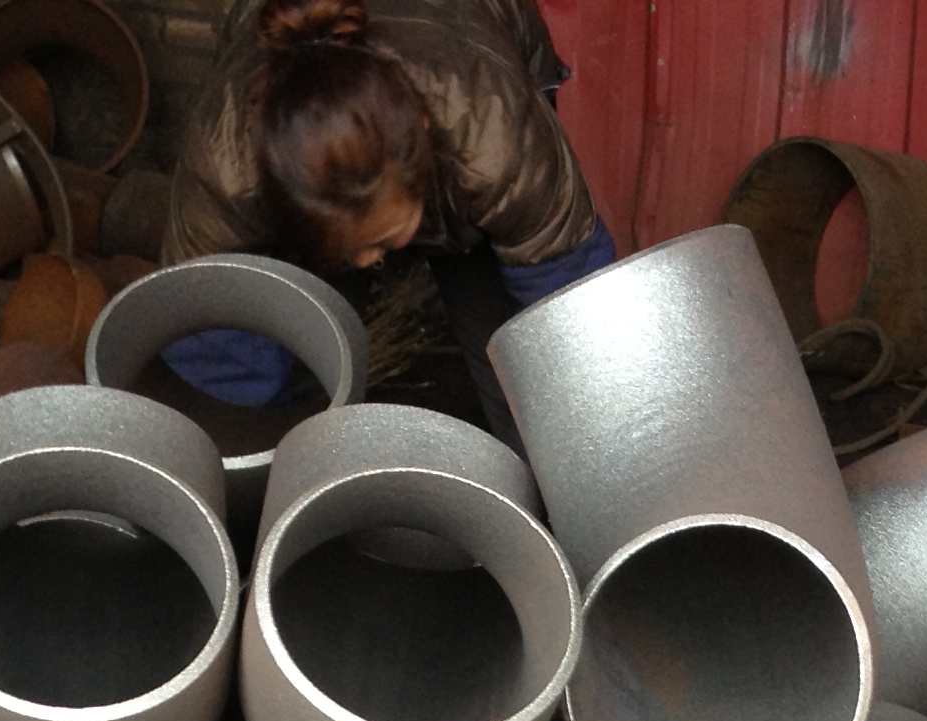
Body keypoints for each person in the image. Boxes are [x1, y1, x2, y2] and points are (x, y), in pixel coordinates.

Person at [161, 0, 616, 438]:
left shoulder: (493, 137)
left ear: (424, 145)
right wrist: (255, 449)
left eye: (381, 239)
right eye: (351, 248)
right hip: (305, 189)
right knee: (309, 344)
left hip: (467, 47)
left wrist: (588, 427)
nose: (367, 262)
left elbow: (568, 302)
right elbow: (215, 353)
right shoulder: (227, 166)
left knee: (509, 363)